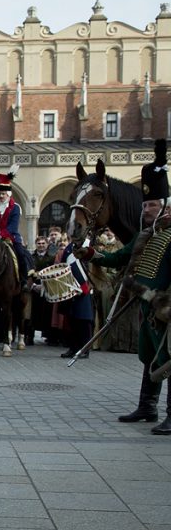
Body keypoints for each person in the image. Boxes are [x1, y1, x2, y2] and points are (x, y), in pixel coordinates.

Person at [77, 139, 171, 432]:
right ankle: (147, 406)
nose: (146, 210)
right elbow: (120, 257)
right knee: (148, 354)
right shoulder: (145, 235)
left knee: (168, 357)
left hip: (166, 307)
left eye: (152, 205)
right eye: (144, 205)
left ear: (165, 205)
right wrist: (93, 254)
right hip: (147, 305)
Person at [0, 165, 34, 288]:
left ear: (8, 194)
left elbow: (13, 226)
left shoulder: (15, 207)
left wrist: (1, 234)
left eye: (3, 194)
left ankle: (23, 280)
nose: (1, 196)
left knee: (21, 254)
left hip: (11, 237)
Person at [28, 235, 55, 346]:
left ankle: (49, 337)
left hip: (47, 288)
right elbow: (27, 272)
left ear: (47, 245)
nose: (41, 245)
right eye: (39, 243)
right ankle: (29, 337)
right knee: (32, 313)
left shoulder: (52, 257)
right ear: (36, 245)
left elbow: (53, 273)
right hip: (34, 288)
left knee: (47, 313)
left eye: (43, 243)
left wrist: (44, 286)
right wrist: (33, 286)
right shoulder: (30, 257)